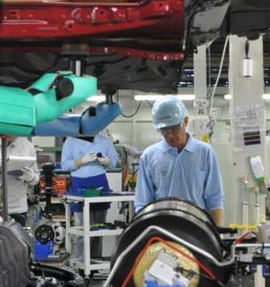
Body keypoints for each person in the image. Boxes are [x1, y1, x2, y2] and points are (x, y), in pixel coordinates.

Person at [135, 96, 224, 225]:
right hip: (162, 227)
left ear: (185, 121)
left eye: (174, 128)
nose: (170, 135)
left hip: (197, 226)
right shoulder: (149, 156)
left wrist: (217, 232)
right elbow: (143, 203)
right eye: (164, 129)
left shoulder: (204, 152)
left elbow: (214, 198)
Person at [60, 131, 120, 226]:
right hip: (79, 184)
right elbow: (65, 165)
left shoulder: (105, 141)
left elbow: (114, 162)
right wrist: (81, 161)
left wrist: (108, 162)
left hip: (100, 183)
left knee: (100, 225)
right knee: (83, 226)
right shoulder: (70, 141)